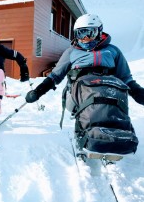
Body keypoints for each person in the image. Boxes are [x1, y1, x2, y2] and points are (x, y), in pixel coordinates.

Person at [25, 14, 144, 156]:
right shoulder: (71, 52)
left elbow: (126, 78)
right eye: (80, 34)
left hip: (108, 93)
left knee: (114, 102)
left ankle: (116, 133)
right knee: (85, 103)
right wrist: (38, 91)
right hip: (79, 94)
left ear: (99, 32)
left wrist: (138, 93)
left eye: (89, 34)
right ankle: (82, 133)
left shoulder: (113, 51)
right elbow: (55, 76)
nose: (85, 39)